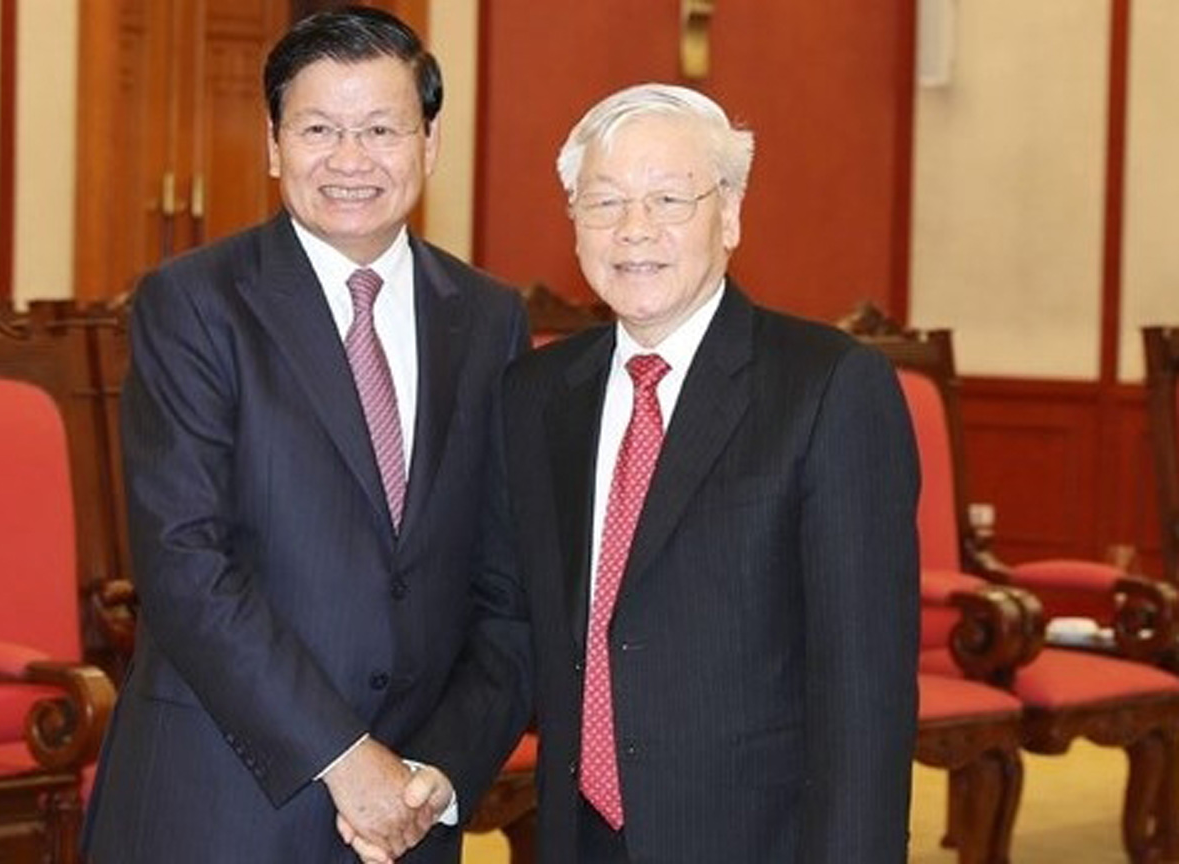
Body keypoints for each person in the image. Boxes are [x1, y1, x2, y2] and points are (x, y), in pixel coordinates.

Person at [82, 7, 530, 862]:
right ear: (274, 144)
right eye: (319, 128)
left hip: (408, 813)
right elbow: (183, 565)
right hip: (225, 799)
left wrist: (439, 768)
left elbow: (506, 587)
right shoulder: (194, 304)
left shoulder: (488, 318)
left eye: (381, 129)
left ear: (429, 143)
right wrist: (342, 757)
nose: (350, 160)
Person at [486, 83, 921, 861]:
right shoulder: (538, 394)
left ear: (730, 215)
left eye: (668, 199)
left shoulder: (828, 388)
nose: (634, 231)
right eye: (605, 202)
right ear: (574, 223)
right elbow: (518, 622)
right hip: (577, 834)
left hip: (754, 839)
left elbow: (865, 695)